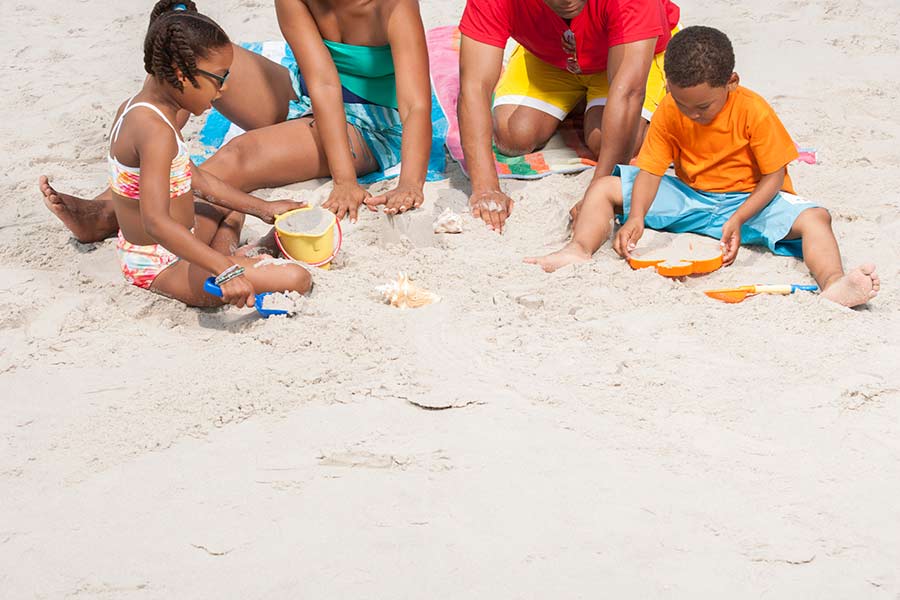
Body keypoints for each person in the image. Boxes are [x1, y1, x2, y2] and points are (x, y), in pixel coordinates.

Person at [525, 26, 879, 308]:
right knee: (603, 188)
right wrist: (636, 217)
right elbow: (650, 169)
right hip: (690, 198)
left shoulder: (753, 110)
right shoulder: (668, 110)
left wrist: (739, 218)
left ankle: (834, 283)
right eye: (682, 104)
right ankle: (579, 250)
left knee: (816, 218)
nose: (692, 114)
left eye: (703, 107)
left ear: (732, 83)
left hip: (750, 203)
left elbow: (773, 177)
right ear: (668, 87)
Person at [41, 0, 432, 242]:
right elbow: (323, 83)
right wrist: (343, 180)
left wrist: (405, 183)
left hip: (373, 122)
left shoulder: (393, 3)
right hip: (305, 90)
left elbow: (416, 104)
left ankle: (114, 214)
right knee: (190, 65)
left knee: (240, 155)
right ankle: (116, 196)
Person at [102, 0, 310, 307]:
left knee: (234, 206)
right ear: (182, 73)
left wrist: (263, 208)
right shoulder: (154, 132)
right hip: (160, 264)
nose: (224, 90)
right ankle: (227, 262)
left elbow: (194, 178)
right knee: (296, 278)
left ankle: (226, 257)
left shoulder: (145, 109)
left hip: (181, 238)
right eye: (220, 78)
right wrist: (223, 270)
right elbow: (156, 222)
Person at [457, 0, 680, 232]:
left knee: (608, 142)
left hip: (631, 46)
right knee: (512, 136)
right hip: (550, 55)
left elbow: (629, 93)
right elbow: (474, 85)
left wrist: (598, 196)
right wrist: (485, 188)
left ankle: (594, 105)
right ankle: (585, 103)